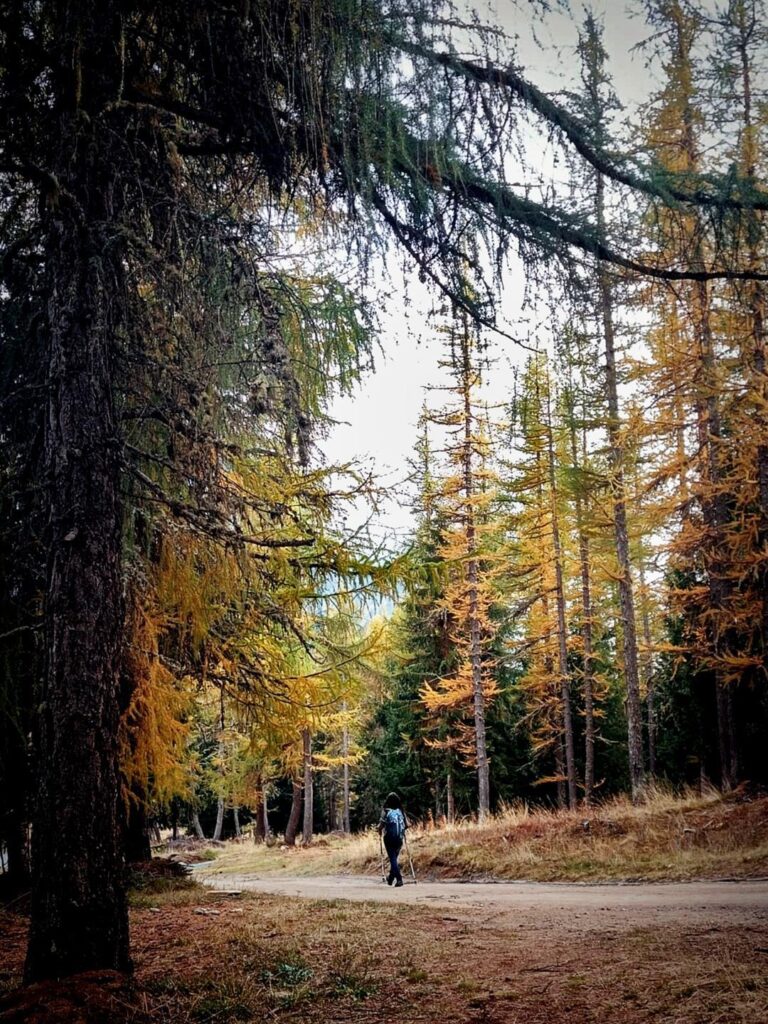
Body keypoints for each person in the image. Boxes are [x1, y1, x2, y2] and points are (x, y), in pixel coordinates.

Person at [378, 791, 408, 887]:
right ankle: (390, 878)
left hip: (389, 838)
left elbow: (381, 825)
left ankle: (399, 879)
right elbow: (408, 825)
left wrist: (378, 830)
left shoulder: (386, 810)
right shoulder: (401, 811)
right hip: (399, 838)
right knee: (394, 858)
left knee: (392, 859)